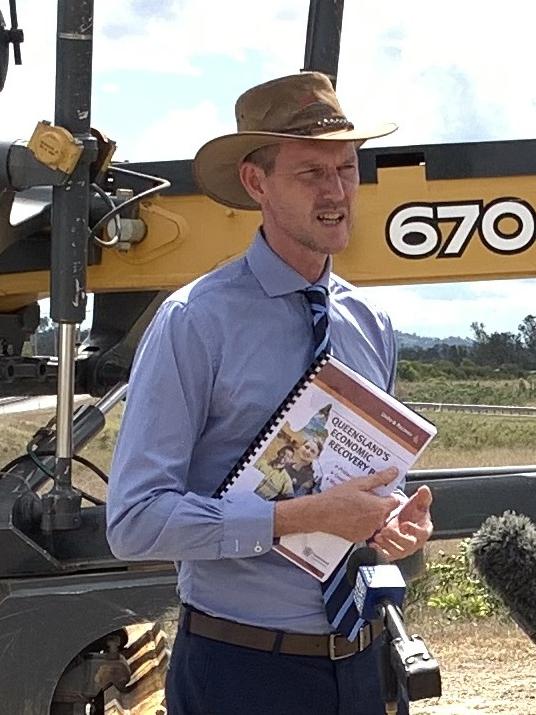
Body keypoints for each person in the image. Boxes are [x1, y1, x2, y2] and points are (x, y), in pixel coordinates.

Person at [106, 72, 434, 715]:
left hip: (362, 667)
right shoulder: (194, 322)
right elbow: (134, 522)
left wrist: (393, 522)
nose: (337, 190)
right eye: (311, 172)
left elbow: (362, 488)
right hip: (242, 671)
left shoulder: (371, 325)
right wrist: (294, 519)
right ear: (257, 183)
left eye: (346, 167)